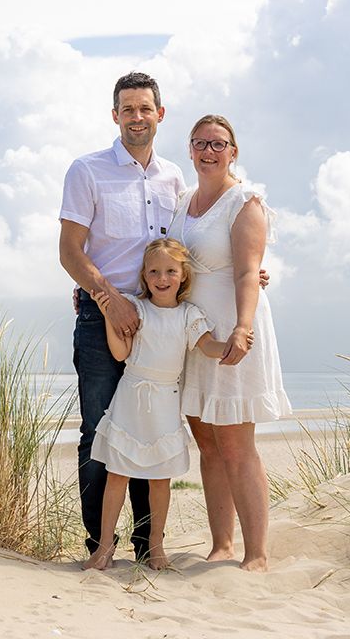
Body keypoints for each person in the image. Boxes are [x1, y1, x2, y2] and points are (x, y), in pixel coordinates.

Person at [59, 71, 183, 562]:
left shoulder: (174, 177)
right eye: (127, 109)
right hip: (100, 318)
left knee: (149, 431)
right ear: (115, 115)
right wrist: (109, 299)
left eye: (145, 108)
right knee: (101, 429)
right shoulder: (87, 171)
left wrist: (249, 271)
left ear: (159, 114)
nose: (137, 117)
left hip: (160, 323)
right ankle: (99, 546)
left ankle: (148, 546)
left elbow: (186, 250)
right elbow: (70, 252)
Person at [170, 114, 292, 572]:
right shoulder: (182, 203)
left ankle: (256, 554)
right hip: (196, 334)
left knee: (237, 444)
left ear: (233, 151)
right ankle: (220, 544)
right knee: (207, 443)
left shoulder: (245, 202)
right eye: (200, 143)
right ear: (190, 149)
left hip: (233, 330)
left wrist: (242, 327)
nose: (209, 151)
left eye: (218, 144)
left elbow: (247, 271)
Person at [83, 238, 231, 571]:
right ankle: (104, 547)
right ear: (145, 275)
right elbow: (121, 354)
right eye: (154, 271)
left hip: (165, 403)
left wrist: (229, 346)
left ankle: (156, 547)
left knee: (159, 480)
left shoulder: (189, 315)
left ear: (183, 275)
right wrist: (109, 314)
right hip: (130, 398)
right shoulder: (137, 309)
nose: (161, 278)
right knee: (117, 475)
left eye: (169, 271)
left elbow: (206, 346)